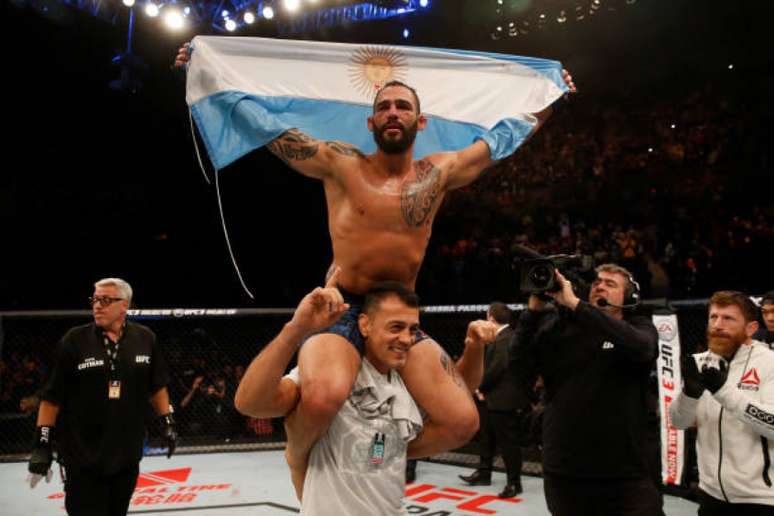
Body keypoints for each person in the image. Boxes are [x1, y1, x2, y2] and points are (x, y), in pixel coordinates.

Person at [175, 43, 576, 486]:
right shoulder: (340, 164)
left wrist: (548, 100)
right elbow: (271, 130)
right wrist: (210, 76)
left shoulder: (438, 173)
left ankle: (376, 454)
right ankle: (299, 453)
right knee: (324, 396)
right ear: (370, 121)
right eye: (383, 106)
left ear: (420, 122)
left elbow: (499, 141)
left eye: (402, 107)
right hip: (343, 305)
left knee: (462, 421)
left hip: (400, 311)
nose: (392, 112)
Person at [233, 269, 496, 513]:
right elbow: (250, 403)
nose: (406, 339)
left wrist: (473, 346)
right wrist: (295, 330)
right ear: (365, 325)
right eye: (395, 327)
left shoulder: (405, 382)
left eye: (412, 329)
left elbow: (460, 396)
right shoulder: (328, 377)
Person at [513, 264, 662, 516]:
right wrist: (532, 313)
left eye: (610, 283)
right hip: (566, 470)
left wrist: (577, 305)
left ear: (629, 296)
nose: (600, 285)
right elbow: (518, 367)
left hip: (626, 474)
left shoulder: (640, 326)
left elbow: (643, 348)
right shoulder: (560, 326)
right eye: (596, 282)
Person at [27, 278, 177, 516]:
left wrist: (167, 422)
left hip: (127, 453)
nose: (97, 305)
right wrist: (42, 444)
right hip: (82, 455)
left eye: (105, 300)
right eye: (95, 300)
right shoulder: (74, 340)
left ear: (124, 305)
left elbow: (157, 386)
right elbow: (51, 397)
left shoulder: (145, 338)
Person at [670, 290, 774, 515]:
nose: (718, 324)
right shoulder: (700, 362)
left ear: (751, 328)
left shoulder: (770, 364)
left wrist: (723, 392)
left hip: (761, 498)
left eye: (728, 318)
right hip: (710, 494)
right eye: (713, 317)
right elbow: (678, 422)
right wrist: (689, 394)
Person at [459, 301, 533, 498]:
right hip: (492, 397)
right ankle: (484, 474)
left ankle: (514, 483)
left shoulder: (506, 338)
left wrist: (480, 387)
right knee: (487, 438)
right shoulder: (501, 337)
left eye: (486, 316)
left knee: (508, 443)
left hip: (502, 399)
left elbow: (498, 368)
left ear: (491, 318)